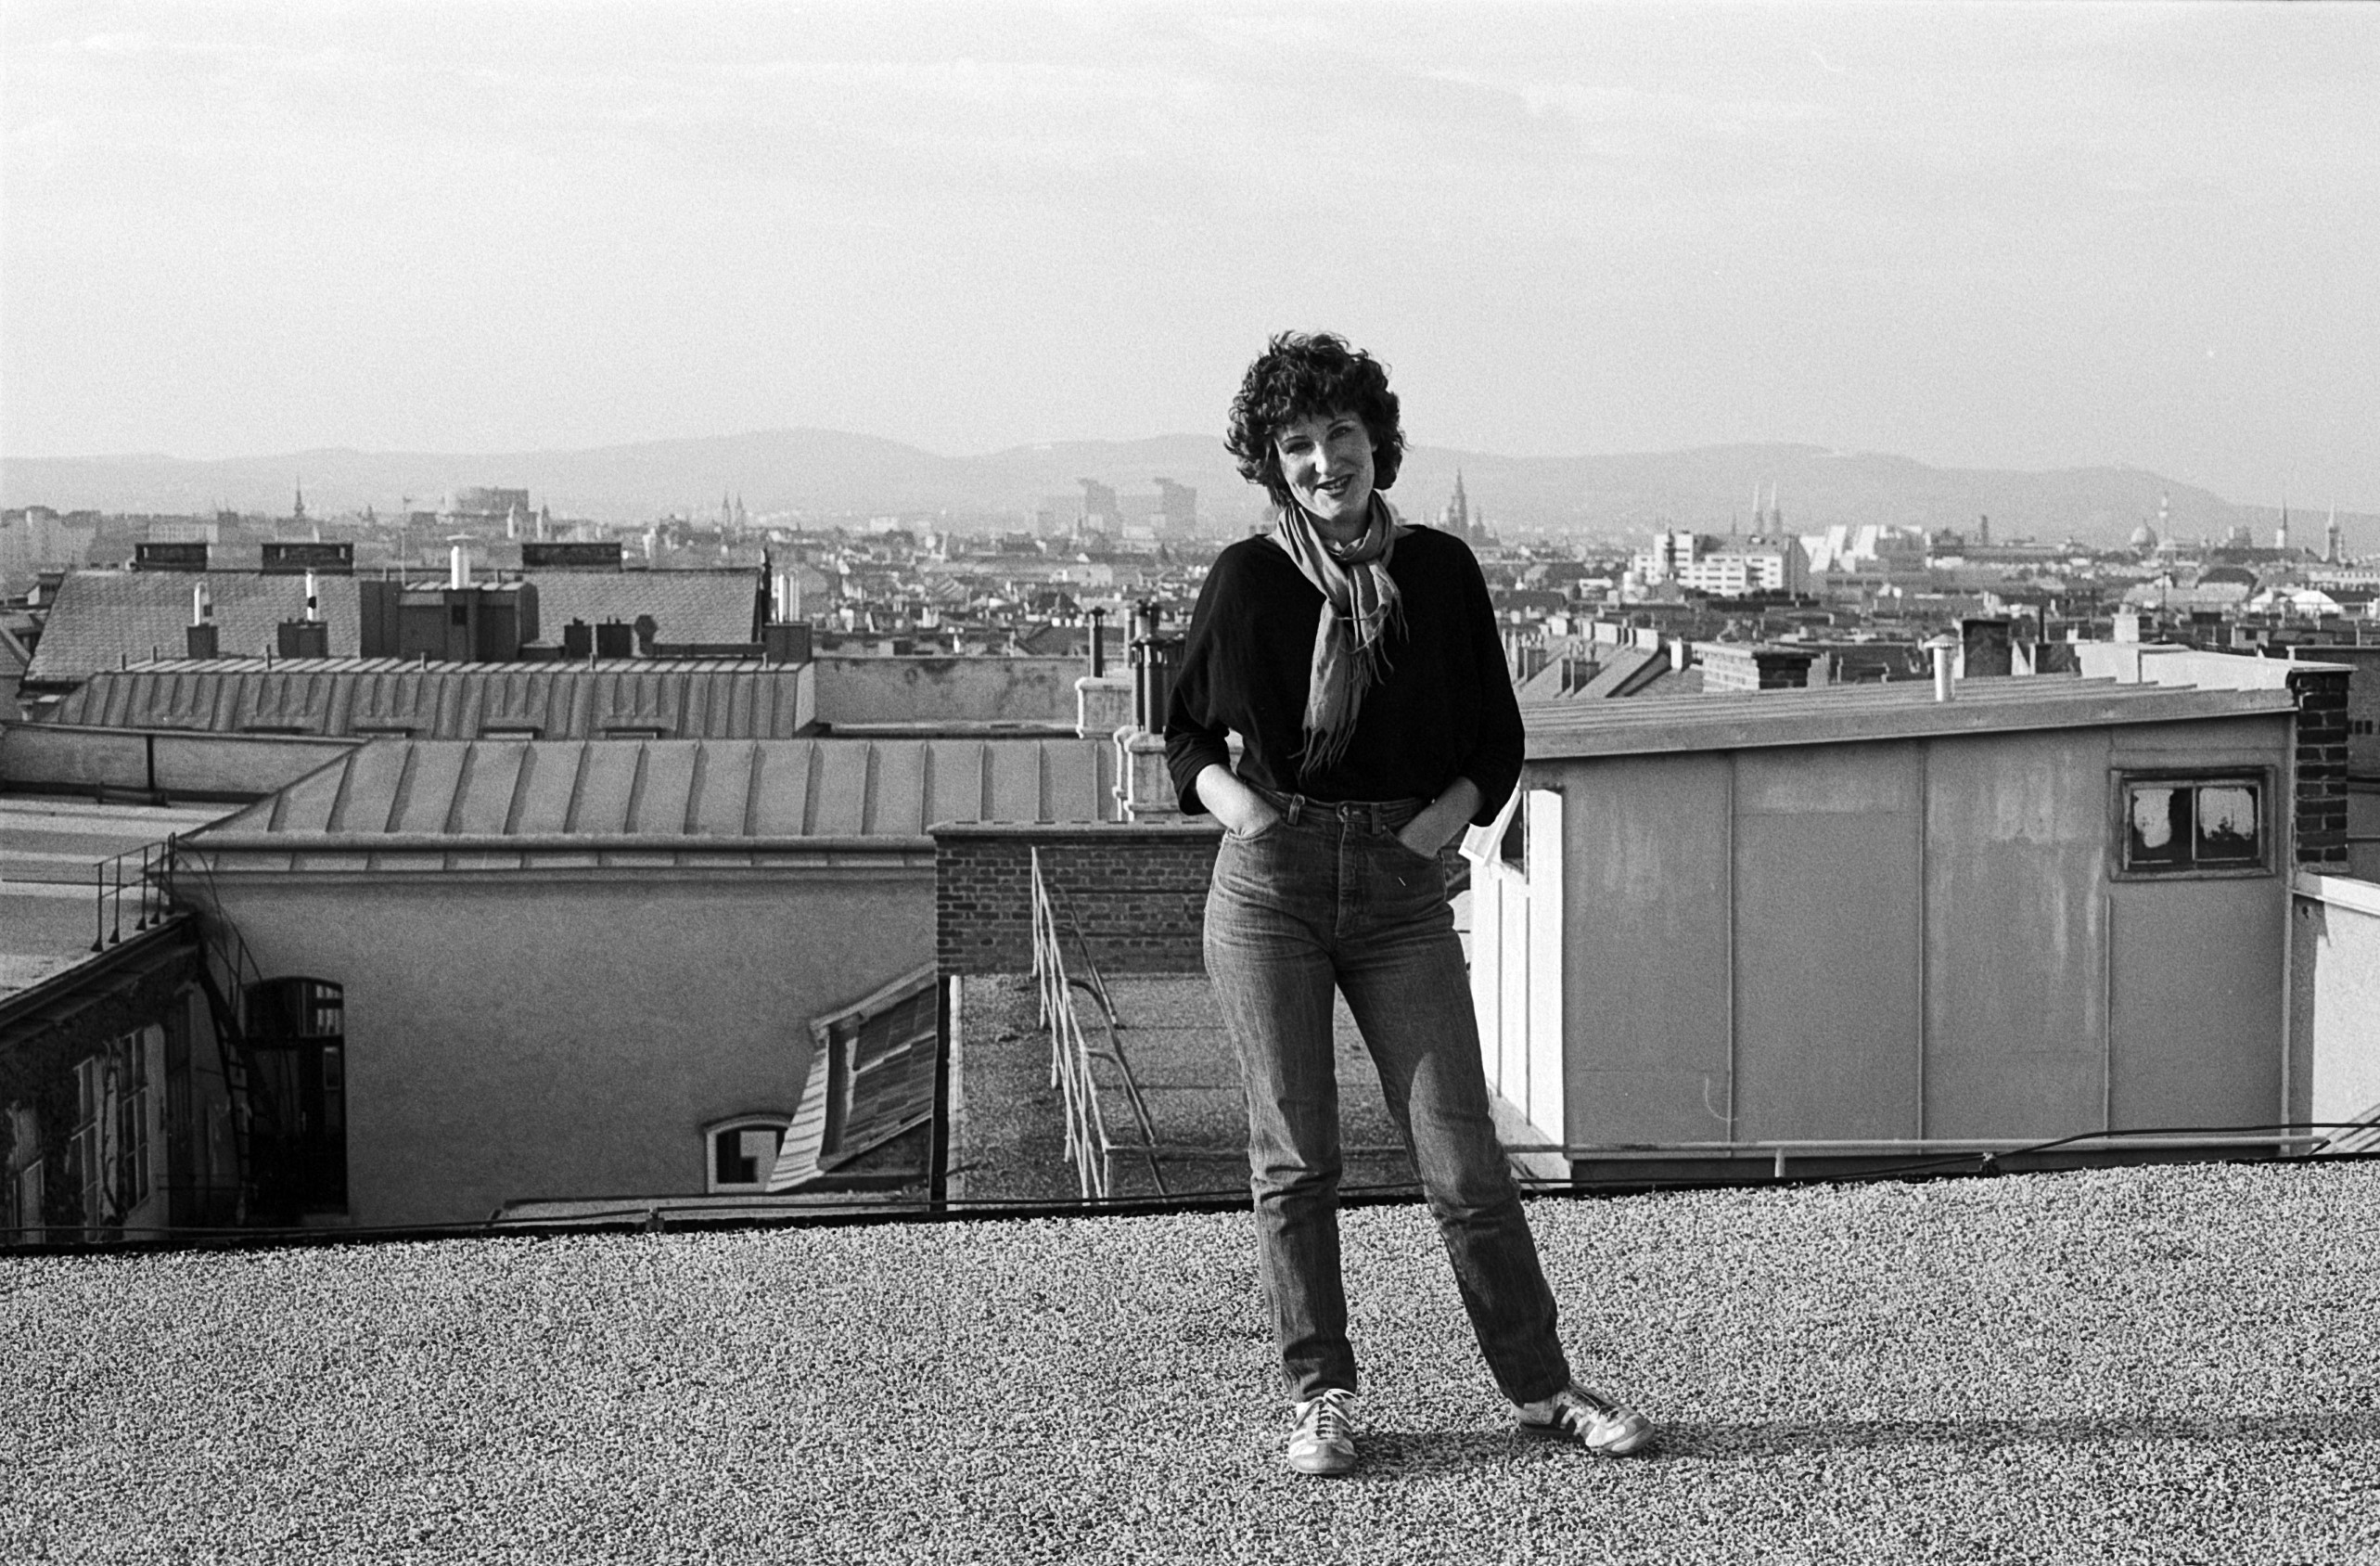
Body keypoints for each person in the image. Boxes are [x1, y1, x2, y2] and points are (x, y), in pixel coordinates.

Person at [1163, 331, 1654, 1477]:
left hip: (1399, 886)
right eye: (1296, 443)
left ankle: (1541, 1385)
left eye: (1339, 434)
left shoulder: (1438, 572)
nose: (1322, 460)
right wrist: (1246, 812)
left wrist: (1427, 833)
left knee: (1461, 1155)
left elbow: (1495, 739)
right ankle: (1319, 1394)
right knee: (1296, 1157)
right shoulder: (1247, 578)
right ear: (1271, 462)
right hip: (1270, 887)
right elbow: (1183, 730)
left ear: (1376, 441)